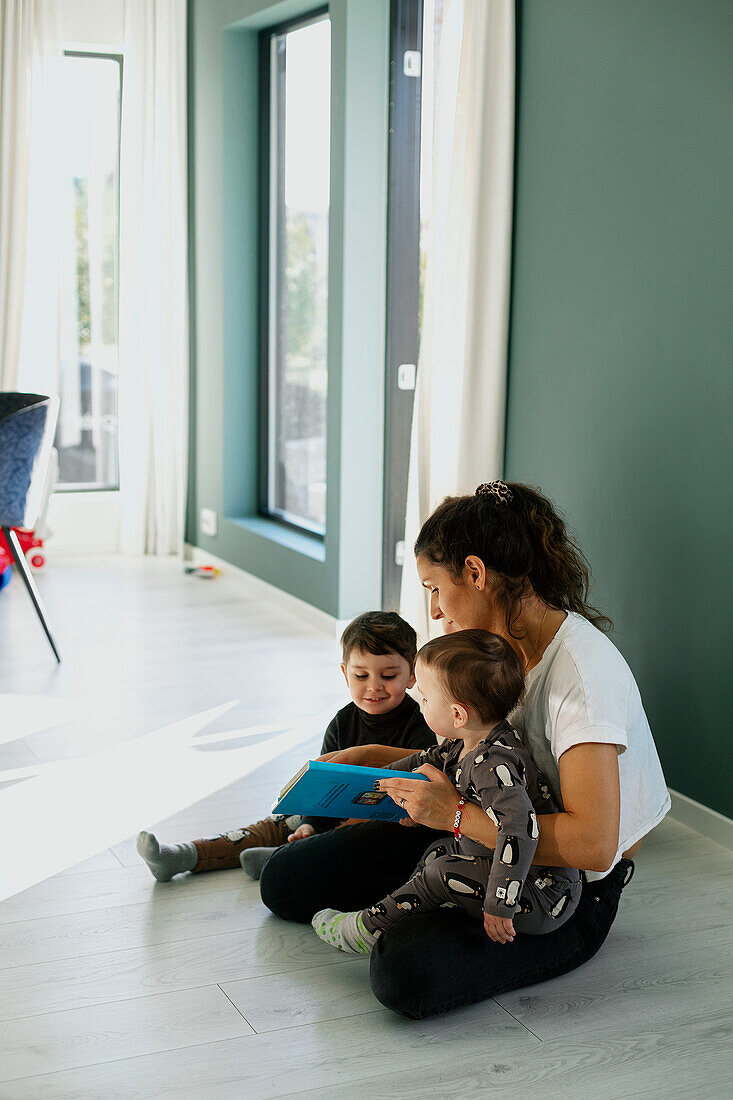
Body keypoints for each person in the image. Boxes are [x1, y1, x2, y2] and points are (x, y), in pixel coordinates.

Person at [260, 481, 671, 1019]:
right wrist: (373, 759)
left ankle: (416, 903)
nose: (433, 610)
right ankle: (422, 890)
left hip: (558, 890)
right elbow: (465, 757)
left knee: (404, 972)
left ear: (475, 574)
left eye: (435, 587)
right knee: (286, 881)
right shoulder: (487, 653)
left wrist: (453, 817)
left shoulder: (581, 676)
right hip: (475, 840)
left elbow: (596, 845)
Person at [312, 630, 581, 954]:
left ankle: (367, 927)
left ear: (457, 714)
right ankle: (401, 918)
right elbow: (420, 763)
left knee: (443, 870)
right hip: (509, 874)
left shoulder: (493, 763)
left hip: (541, 894)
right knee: (437, 853)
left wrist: (499, 904)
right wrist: (366, 781)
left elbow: (521, 831)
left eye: (425, 698)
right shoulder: (464, 744)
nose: (420, 703)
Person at [136, 611, 436, 882]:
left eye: (388, 676)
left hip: (383, 825)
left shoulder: (421, 723)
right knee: (275, 825)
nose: (374, 686)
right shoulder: (342, 723)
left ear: (411, 675)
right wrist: (309, 824)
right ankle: (184, 855)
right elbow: (321, 787)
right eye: (361, 675)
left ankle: (282, 858)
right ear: (345, 673)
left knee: (352, 833)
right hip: (328, 816)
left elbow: (423, 777)